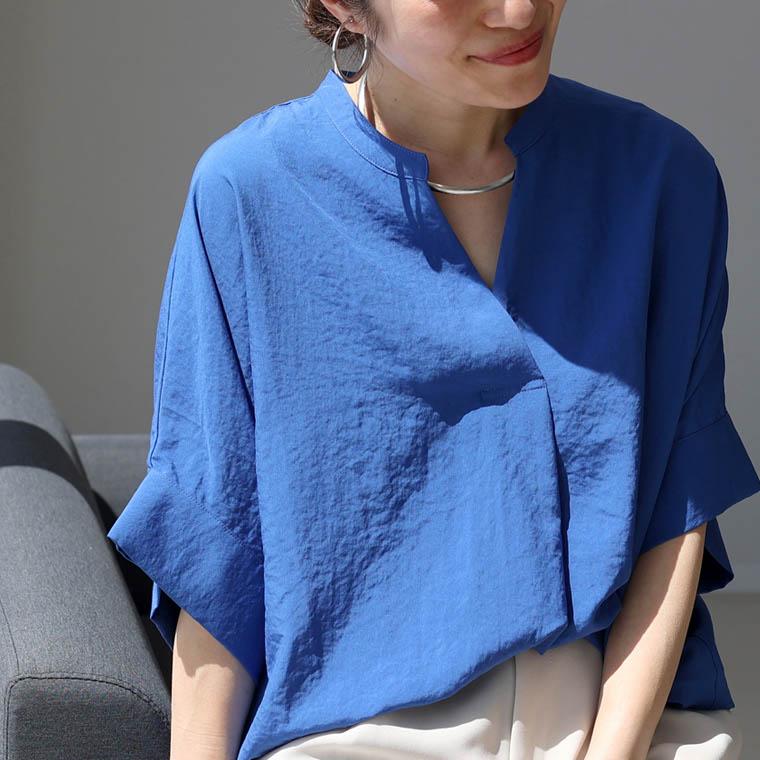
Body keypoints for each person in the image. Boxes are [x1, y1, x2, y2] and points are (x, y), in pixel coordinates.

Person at [106, 1, 760, 758]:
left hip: (632, 723)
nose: (519, 10)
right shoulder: (250, 193)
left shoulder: (661, 177)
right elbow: (217, 554)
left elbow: (675, 521)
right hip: (356, 735)